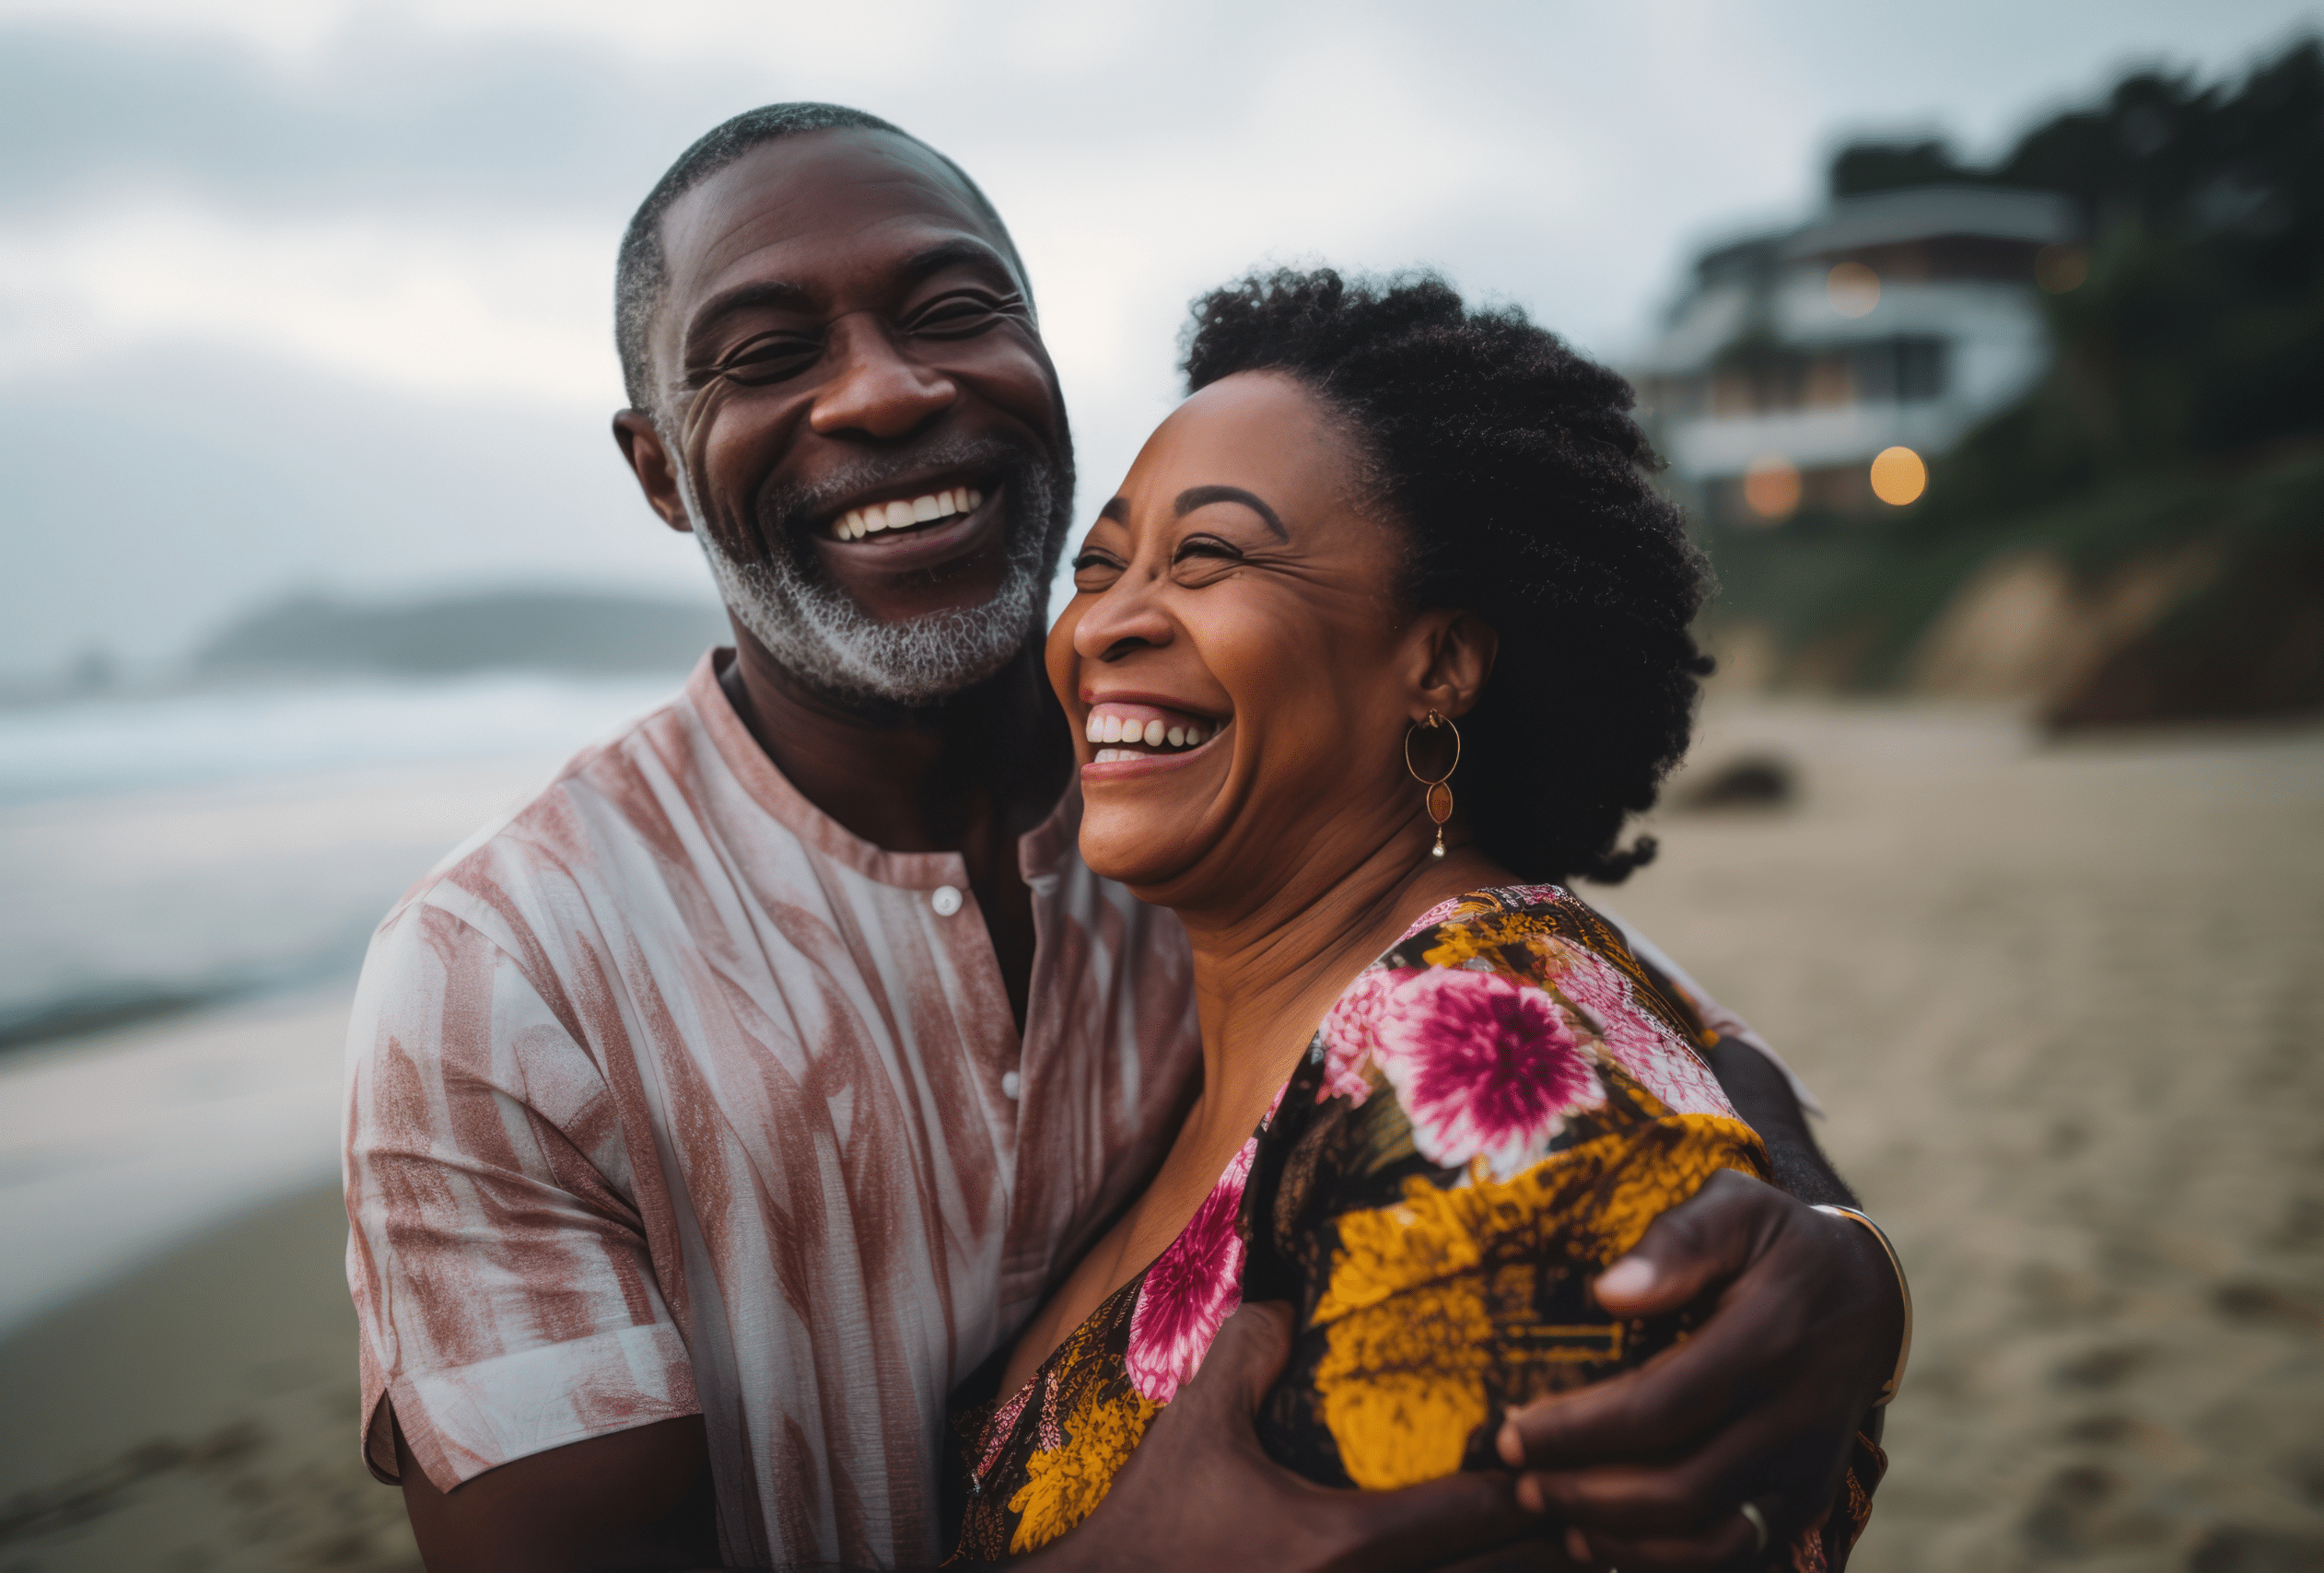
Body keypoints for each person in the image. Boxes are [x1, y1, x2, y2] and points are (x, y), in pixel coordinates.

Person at [342, 103, 1905, 1571]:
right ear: (656, 471)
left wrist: (1840, 1263)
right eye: (763, 352)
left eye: (957, 309)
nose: (887, 389)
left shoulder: (1245, 813)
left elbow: (1605, 1024)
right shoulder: (503, 979)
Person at [940, 270, 1895, 1570]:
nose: (1108, 622)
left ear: (1437, 662)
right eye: (1096, 568)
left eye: (1207, 557)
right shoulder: (1246, 988)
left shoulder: (1477, 1081)